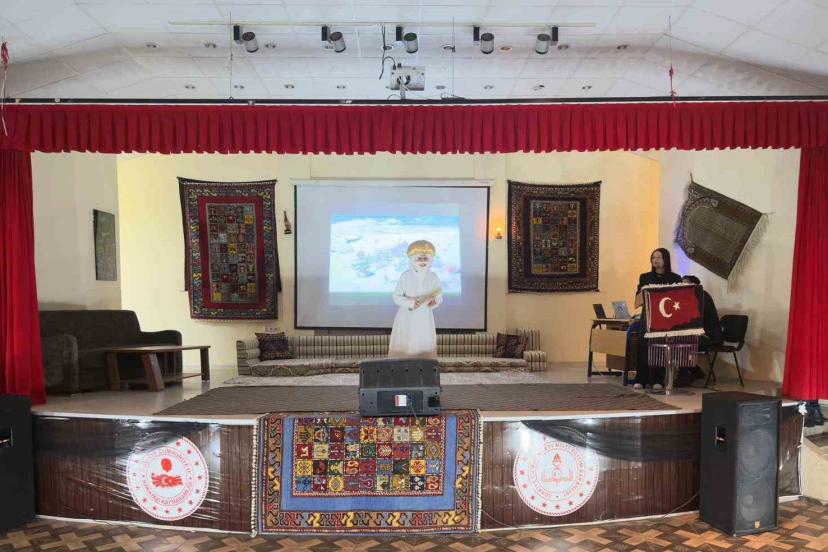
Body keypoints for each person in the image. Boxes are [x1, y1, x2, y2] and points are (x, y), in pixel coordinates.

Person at [631, 248, 682, 390]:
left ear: (666, 259)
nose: (655, 260)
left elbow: (678, 299)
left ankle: (657, 380)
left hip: (665, 319)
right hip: (648, 317)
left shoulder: (675, 278)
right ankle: (640, 379)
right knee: (643, 346)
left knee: (659, 347)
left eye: (659, 257)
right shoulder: (645, 277)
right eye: (653, 257)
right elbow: (638, 298)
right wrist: (642, 292)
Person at [388, 240, 443, 359]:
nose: (422, 261)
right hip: (406, 317)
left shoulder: (433, 277)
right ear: (412, 259)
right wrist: (410, 303)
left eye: (425, 258)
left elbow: (438, 296)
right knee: (407, 346)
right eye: (419, 258)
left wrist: (435, 301)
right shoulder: (406, 276)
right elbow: (396, 297)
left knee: (423, 346)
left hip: (424, 318)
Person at [674, 275, 721, 386]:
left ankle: (684, 376)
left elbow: (696, 319)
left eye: (685, 284)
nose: (682, 288)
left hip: (710, 336)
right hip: (697, 334)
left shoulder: (702, 296)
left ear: (695, 286)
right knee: (674, 340)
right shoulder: (688, 299)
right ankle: (695, 371)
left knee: (683, 341)